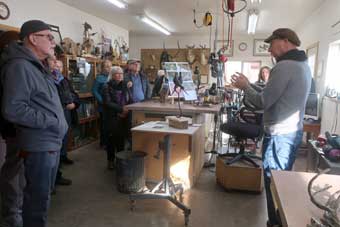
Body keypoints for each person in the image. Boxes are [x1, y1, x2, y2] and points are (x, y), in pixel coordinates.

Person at [231, 28, 312, 227]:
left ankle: (275, 223)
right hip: (291, 133)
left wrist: (244, 87)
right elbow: (272, 92)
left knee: (273, 183)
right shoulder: (302, 64)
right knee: (282, 182)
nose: (269, 50)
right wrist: (250, 84)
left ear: (285, 41)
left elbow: (262, 101)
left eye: (271, 45)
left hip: (279, 136)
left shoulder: (284, 66)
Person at [0, 20, 68, 227]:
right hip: (40, 142)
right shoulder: (20, 66)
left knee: (42, 197)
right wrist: (51, 121)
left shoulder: (37, 66)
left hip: (49, 141)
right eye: (48, 37)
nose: (53, 42)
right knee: (37, 200)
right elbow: (14, 109)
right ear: (33, 38)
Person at [48, 55, 80, 187]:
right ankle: (51, 182)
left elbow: (74, 94)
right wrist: (64, 103)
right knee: (53, 148)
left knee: (63, 141)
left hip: (66, 114)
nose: (57, 67)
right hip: (54, 115)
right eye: (55, 64)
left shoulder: (64, 80)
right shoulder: (47, 79)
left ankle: (57, 175)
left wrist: (74, 103)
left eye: (60, 66)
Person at [102, 66, 132, 169]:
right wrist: (121, 110)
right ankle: (110, 161)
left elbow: (130, 98)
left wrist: (128, 109)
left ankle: (120, 160)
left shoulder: (125, 85)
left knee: (121, 140)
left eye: (121, 73)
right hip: (112, 116)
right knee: (111, 140)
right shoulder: (107, 86)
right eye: (117, 73)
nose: (120, 75)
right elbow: (107, 102)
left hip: (124, 116)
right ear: (112, 75)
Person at [92, 59, 112, 148]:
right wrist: (102, 101)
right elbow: (94, 91)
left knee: (111, 124)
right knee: (104, 124)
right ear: (103, 68)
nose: (109, 68)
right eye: (107, 66)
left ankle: (110, 142)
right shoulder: (99, 78)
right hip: (103, 105)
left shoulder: (112, 77)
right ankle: (103, 143)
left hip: (112, 105)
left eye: (110, 66)